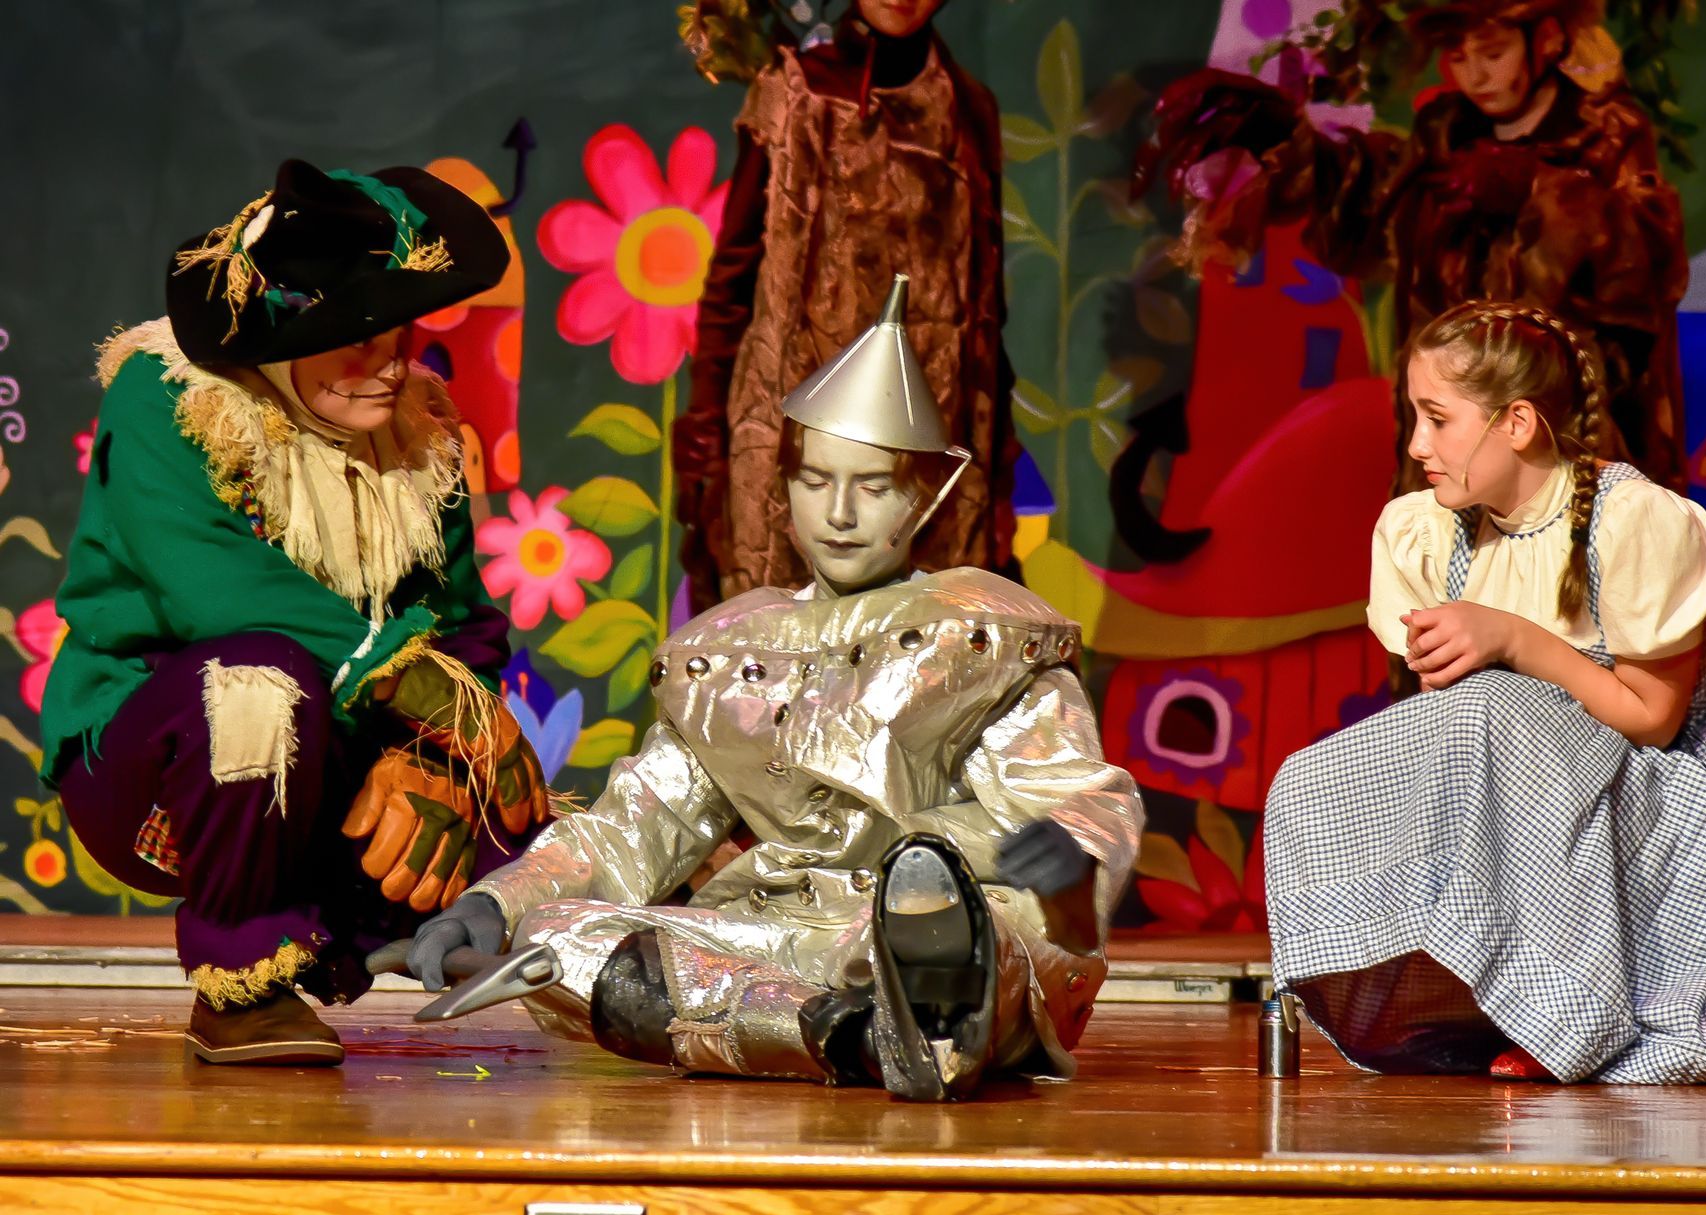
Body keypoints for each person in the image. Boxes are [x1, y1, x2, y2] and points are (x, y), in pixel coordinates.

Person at [407, 277, 1142, 1101]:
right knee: (561, 941)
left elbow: (1078, 797)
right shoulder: (730, 653)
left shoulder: (982, 634)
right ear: (783, 482)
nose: (838, 512)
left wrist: (1068, 853)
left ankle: (914, 1004)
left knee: (999, 932)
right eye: (814, 479)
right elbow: (638, 825)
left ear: (924, 490)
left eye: (872, 485)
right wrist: (500, 904)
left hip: (936, 918)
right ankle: (849, 1037)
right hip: (777, 938)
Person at [1261, 299, 1706, 1084]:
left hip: (1672, 782)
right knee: (1313, 774)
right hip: (1532, 765)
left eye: (1438, 419)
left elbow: (1655, 718)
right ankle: (1387, 986)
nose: (1416, 445)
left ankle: (1572, 1013)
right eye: (1414, 416)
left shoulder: (1634, 521)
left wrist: (1514, 639)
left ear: (1518, 423)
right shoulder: (1425, 530)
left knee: (1489, 717)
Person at [40, 160, 546, 1065]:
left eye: (402, 330)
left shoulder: (420, 431)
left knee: (523, 812)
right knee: (255, 681)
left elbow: (462, 623)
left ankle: (355, 932)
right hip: (160, 758)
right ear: (282, 333)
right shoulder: (170, 399)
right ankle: (241, 985)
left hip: (335, 744)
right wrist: (413, 683)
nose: (393, 362)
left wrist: (425, 757)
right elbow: (215, 592)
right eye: (357, 336)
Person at [1139, 0, 1689, 495]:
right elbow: (1378, 219)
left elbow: (1644, 271)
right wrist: (1292, 146)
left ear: (1546, 38)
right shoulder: (1444, 131)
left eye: (1493, 53)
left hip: (1564, 442)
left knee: (1547, 592)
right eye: (1458, 56)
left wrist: (1539, 191)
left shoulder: (1606, 135)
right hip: (1452, 438)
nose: (1476, 75)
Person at [672, 0, 1022, 614]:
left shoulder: (968, 111)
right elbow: (731, 282)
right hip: (792, 443)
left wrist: (993, 487)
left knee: (922, 667)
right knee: (781, 661)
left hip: (926, 451)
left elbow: (985, 319)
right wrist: (706, 452)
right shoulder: (795, 93)